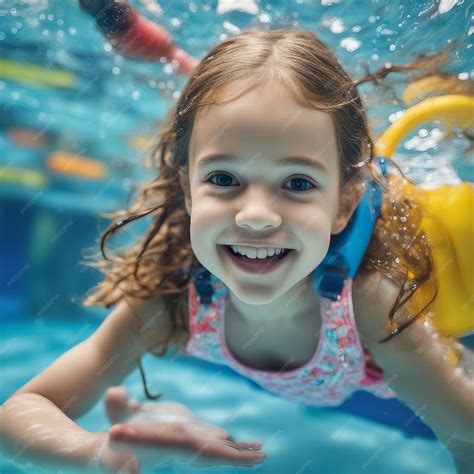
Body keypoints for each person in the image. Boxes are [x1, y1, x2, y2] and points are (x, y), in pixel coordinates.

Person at [1, 28, 473, 474]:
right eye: (224, 179)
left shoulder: (370, 303)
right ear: (188, 191)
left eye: (297, 183)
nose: (255, 216)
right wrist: (100, 453)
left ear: (343, 204)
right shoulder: (172, 299)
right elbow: (19, 414)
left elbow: (465, 437)